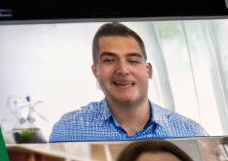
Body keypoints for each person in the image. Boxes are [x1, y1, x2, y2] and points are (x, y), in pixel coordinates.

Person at [50, 22, 209, 141]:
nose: (123, 70)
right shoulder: (66, 132)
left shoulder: (193, 134)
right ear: (95, 71)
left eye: (133, 60)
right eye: (110, 60)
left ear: (148, 70)